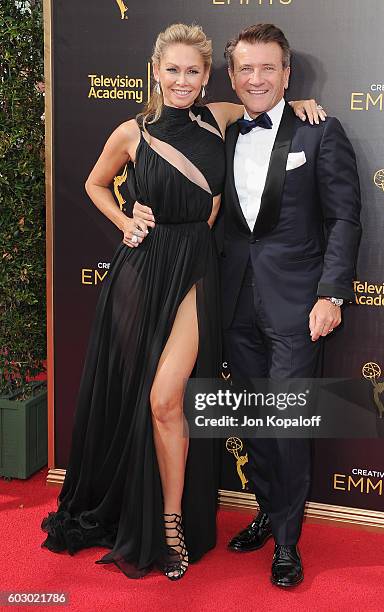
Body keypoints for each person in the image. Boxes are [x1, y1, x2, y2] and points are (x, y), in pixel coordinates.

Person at [41, 23, 324, 581]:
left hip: (197, 271)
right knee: (133, 399)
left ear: (206, 76)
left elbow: (267, 103)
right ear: (155, 70)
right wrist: (126, 221)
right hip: (140, 274)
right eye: (172, 69)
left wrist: (304, 102)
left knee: (167, 399)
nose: (182, 80)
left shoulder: (217, 117)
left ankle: (170, 520)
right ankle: (130, 504)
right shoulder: (131, 131)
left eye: (193, 70)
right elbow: (96, 184)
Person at [220, 23, 362, 588]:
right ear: (232, 77)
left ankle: (287, 542)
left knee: (286, 423)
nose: (257, 78)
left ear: (287, 73)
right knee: (253, 422)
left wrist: (331, 293)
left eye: (268, 68)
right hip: (233, 304)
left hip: (298, 307)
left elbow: (345, 218)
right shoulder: (222, 131)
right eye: (246, 69)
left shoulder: (321, 132)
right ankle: (266, 509)